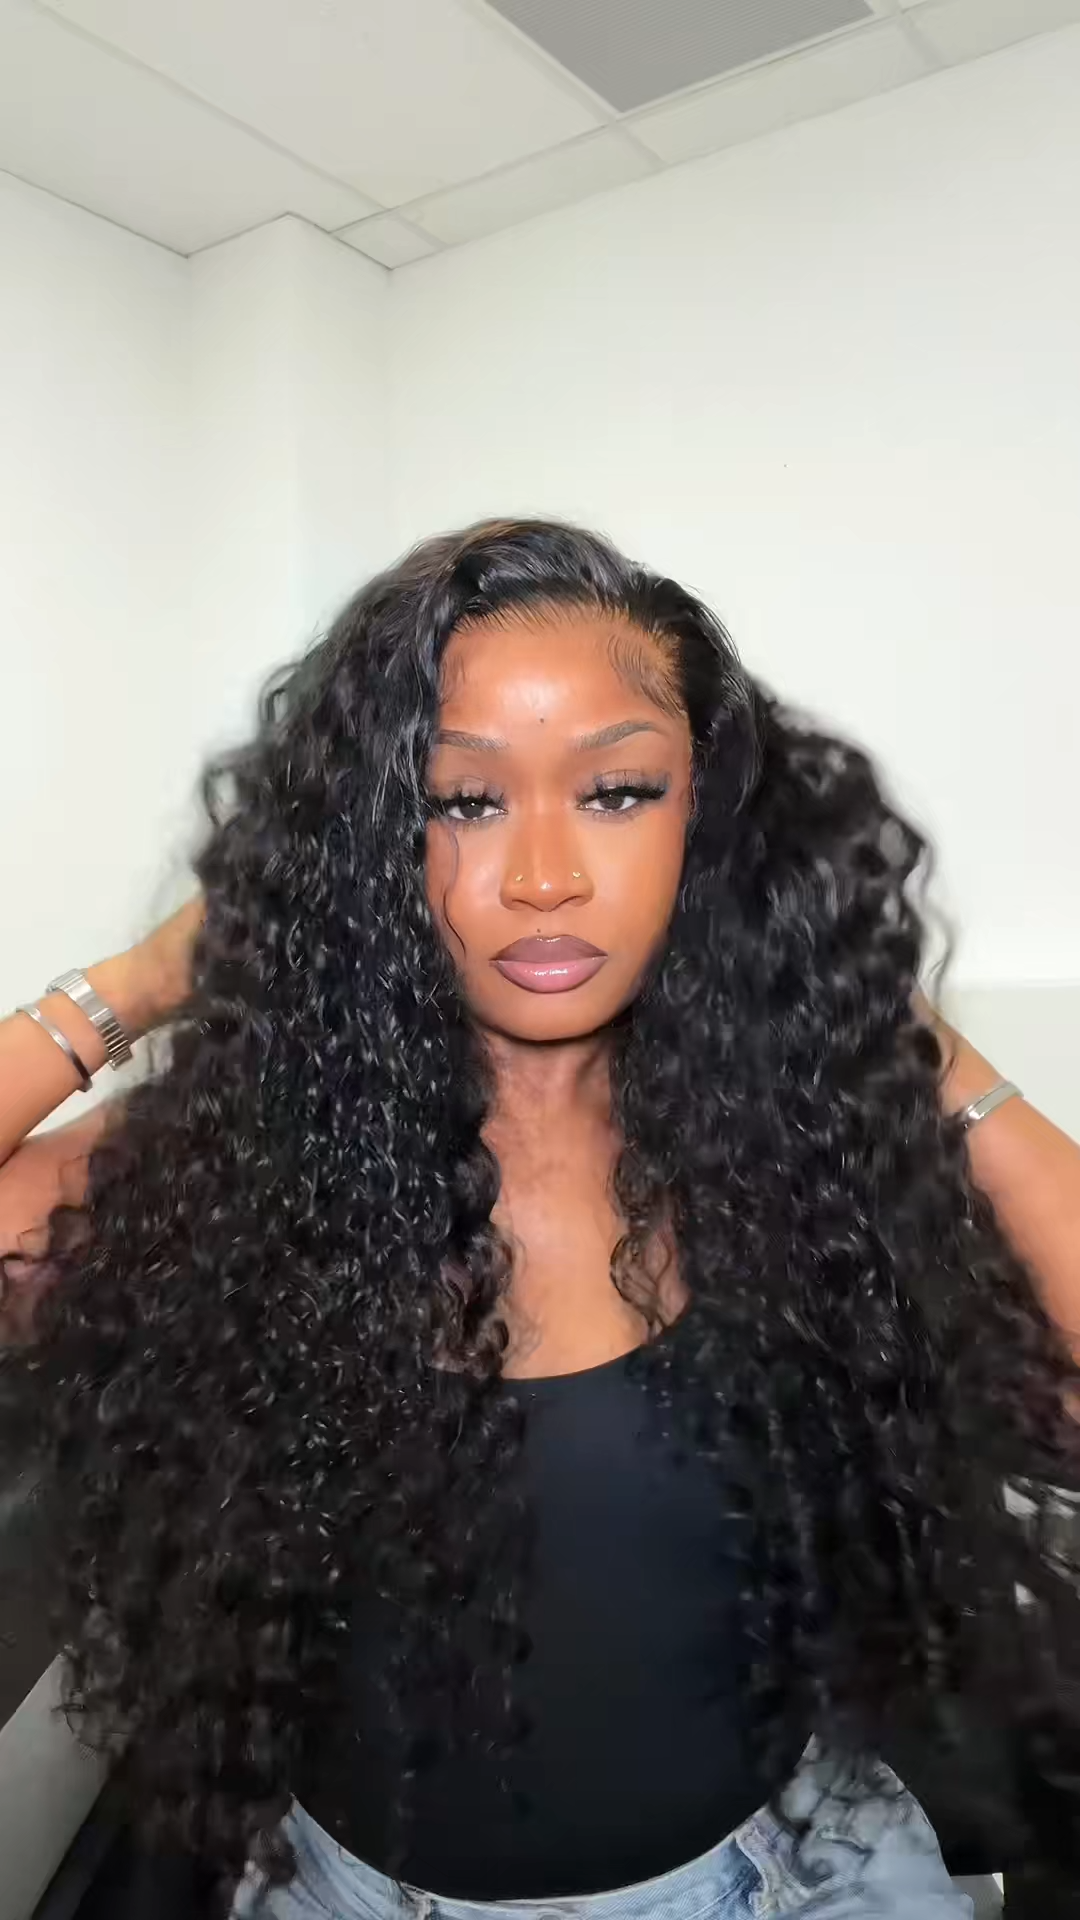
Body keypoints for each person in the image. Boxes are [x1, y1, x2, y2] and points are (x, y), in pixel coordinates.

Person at [2, 519, 1079, 1920]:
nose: (545, 875)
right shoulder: (237, 1161)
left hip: (790, 1882)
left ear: (708, 820)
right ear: (370, 843)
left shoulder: (800, 1149)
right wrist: (145, 979)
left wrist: (898, 1030)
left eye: (619, 790)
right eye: (461, 802)